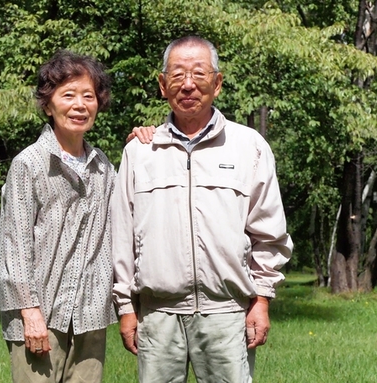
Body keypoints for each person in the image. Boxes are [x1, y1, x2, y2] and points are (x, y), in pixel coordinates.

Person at [111, 36, 294, 383]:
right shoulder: (140, 152)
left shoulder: (248, 147)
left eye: (199, 73)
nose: (188, 84)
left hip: (227, 312)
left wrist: (262, 299)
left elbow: (269, 233)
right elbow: (122, 237)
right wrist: (125, 307)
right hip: (157, 315)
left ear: (218, 83)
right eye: (177, 75)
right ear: (163, 85)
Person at [0, 50, 117, 383]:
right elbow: (15, 245)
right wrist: (29, 311)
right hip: (40, 316)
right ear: (48, 105)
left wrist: (147, 139)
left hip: (90, 315)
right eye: (68, 95)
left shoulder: (104, 167)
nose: (80, 105)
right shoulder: (29, 164)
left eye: (88, 96)